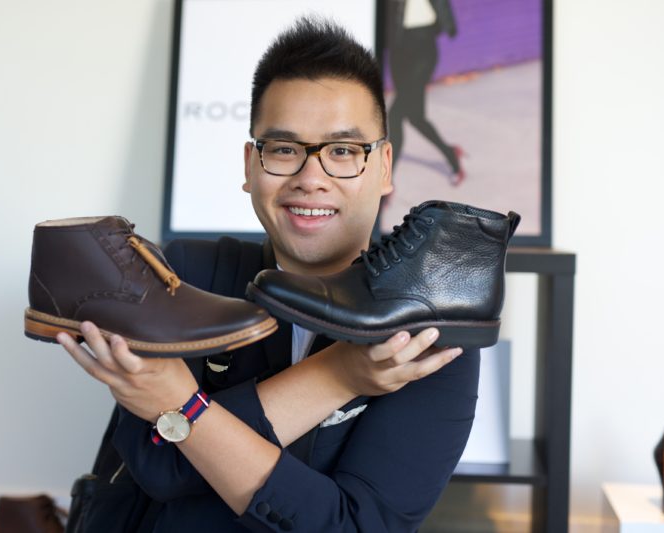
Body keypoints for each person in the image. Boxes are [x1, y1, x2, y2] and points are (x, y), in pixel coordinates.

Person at [57, 17, 480, 532]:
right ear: (250, 165)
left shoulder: (427, 326)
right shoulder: (185, 276)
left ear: (385, 166)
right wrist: (340, 375)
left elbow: (358, 526)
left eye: (343, 151)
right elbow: (157, 463)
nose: (311, 178)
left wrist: (182, 406)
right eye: (284, 150)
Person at [388, 0, 465, 185]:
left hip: (423, 46)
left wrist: (448, 24)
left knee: (394, 115)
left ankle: (387, 182)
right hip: (398, 47)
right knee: (416, 118)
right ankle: (451, 153)